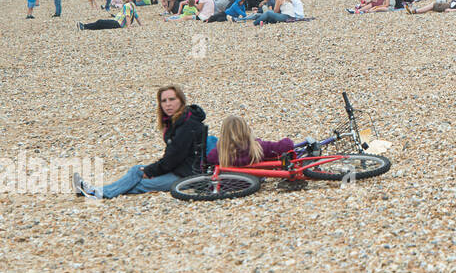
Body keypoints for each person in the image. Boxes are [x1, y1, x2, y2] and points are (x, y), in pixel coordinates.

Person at [75, 86, 208, 199]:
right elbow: (172, 158)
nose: (168, 104)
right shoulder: (178, 121)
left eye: (172, 99)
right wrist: (150, 171)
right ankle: (97, 191)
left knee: (140, 184)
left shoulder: (187, 125)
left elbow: (173, 158)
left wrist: (150, 171)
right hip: (178, 169)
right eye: (164, 101)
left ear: (181, 101)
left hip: (186, 175)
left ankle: (98, 193)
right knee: (136, 171)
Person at [208, 115, 296, 168]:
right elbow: (287, 146)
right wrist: (287, 140)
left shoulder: (217, 153)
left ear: (224, 134)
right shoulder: (258, 147)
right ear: (246, 130)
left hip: (229, 184)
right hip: (253, 181)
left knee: (211, 140)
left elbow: (204, 166)